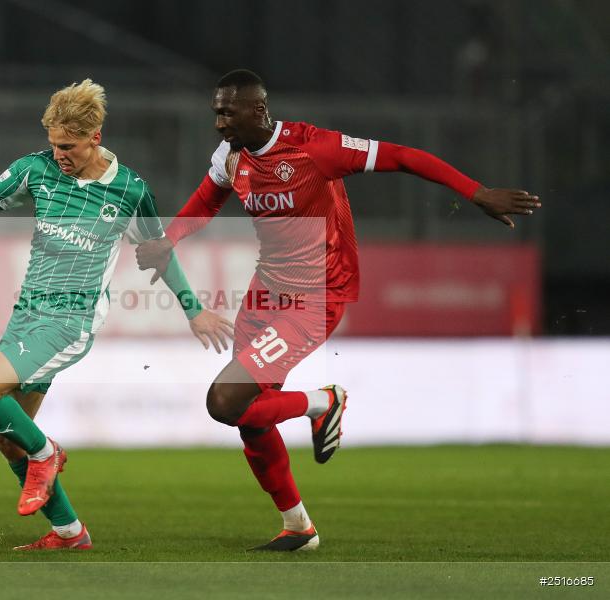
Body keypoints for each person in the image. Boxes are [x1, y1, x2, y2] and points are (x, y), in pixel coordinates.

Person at [135, 69, 541, 551]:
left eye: (227, 111)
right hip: (265, 295)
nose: (219, 121)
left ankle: (324, 401)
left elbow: (402, 156)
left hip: (315, 298)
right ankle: (298, 527)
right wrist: (169, 239)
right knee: (249, 418)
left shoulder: (315, 148)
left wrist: (475, 191)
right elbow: (206, 203)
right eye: (215, 112)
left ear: (258, 110)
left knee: (224, 401)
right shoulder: (230, 157)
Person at [0, 79, 233, 551]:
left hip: (71, 322)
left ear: (95, 136)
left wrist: (193, 311)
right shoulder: (37, 169)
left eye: (67, 146)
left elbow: (158, 253)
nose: (59, 154)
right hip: (27, 315)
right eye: (54, 144)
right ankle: (71, 532)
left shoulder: (130, 190)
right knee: (7, 438)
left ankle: (48, 453)